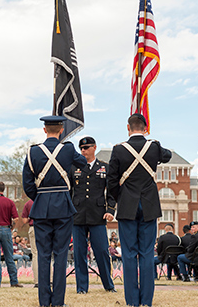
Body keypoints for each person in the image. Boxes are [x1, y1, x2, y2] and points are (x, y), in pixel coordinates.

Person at [107, 113, 171, 307]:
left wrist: (120, 199)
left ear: (128, 128)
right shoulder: (154, 146)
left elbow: (111, 180)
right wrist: (154, 143)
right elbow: (167, 156)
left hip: (128, 204)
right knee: (145, 253)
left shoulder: (118, 150)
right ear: (146, 128)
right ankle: (146, 301)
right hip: (149, 205)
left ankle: (132, 301)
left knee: (128, 254)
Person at [22, 115, 87, 307]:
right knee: (60, 254)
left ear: (44, 130)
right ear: (61, 130)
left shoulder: (33, 152)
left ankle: (44, 301)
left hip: (41, 206)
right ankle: (58, 302)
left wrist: (41, 198)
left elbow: (27, 184)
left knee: (43, 255)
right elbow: (82, 164)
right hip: (63, 207)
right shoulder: (67, 149)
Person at [69, 136, 116, 294]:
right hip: (78, 215)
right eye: (81, 148)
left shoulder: (104, 167)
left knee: (102, 251)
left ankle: (108, 285)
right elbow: (69, 192)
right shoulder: (73, 167)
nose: (83, 150)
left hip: (98, 215)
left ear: (94, 147)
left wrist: (110, 210)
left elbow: (111, 191)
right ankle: (82, 288)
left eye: (86, 147)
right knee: (79, 252)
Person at [0, 181, 22, 288]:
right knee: (9, 257)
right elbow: (16, 218)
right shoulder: (10, 202)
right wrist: (11, 228)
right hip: (6, 230)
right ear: (4, 190)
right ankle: (14, 281)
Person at [21, 199, 38, 288]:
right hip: (46, 228)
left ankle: (37, 281)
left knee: (35, 254)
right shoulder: (45, 199)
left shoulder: (28, 203)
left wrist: (30, 218)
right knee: (47, 253)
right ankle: (49, 279)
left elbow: (24, 221)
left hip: (33, 227)